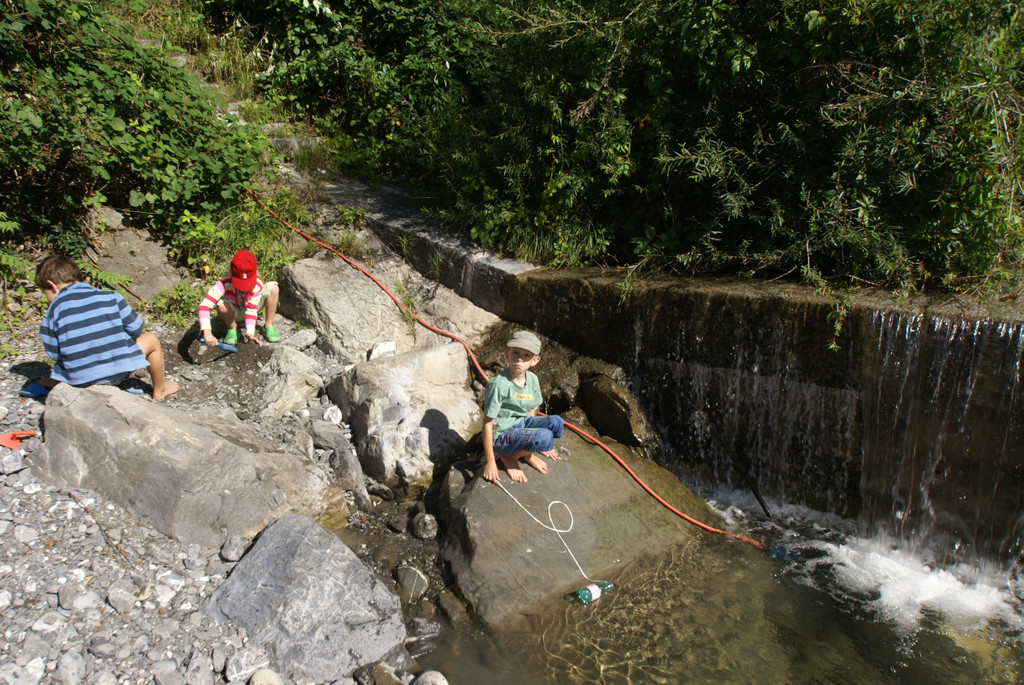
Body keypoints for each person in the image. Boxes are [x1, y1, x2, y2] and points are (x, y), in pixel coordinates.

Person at [35, 254, 179, 400]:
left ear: (52, 285)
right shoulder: (111, 296)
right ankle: (160, 390)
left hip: (77, 380)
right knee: (151, 339)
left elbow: (54, 353)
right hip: (117, 374)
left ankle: (62, 382)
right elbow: (136, 328)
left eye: (45, 293)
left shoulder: (53, 312)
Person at [481, 330, 564, 483]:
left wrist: (534, 441)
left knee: (556, 422)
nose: (519, 358)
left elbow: (530, 409)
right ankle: (510, 457)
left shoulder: (532, 379)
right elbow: (487, 423)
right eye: (515, 353)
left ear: (535, 360)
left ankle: (525, 452)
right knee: (544, 436)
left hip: (522, 424)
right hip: (503, 435)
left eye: (526, 355)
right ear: (507, 354)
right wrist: (490, 461)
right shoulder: (498, 384)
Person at [197, 249, 281, 346]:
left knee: (273, 288)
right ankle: (233, 328)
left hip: (251, 307)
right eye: (240, 284)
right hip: (233, 312)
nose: (244, 289)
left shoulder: (257, 284)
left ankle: (268, 325)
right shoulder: (224, 283)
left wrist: (250, 334)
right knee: (221, 305)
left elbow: (251, 311)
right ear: (231, 274)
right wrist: (207, 332)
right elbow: (204, 305)